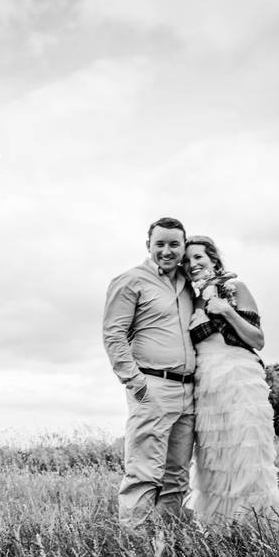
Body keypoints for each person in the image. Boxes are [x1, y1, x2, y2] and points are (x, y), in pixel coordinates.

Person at [182, 235, 279, 526]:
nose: (193, 264)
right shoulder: (189, 299)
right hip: (206, 383)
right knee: (214, 460)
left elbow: (258, 339)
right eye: (187, 260)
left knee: (246, 454)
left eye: (199, 257)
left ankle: (260, 532)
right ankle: (221, 535)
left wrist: (226, 311)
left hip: (239, 377)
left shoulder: (234, 288)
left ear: (213, 258)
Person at [101, 217, 196, 530]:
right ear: (148, 246)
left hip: (189, 392)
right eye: (160, 244)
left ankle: (169, 547)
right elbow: (113, 334)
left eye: (174, 244)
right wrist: (136, 383)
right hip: (152, 386)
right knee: (143, 474)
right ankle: (136, 550)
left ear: (184, 247)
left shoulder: (189, 284)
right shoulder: (130, 281)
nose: (166, 251)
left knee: (177, 476)